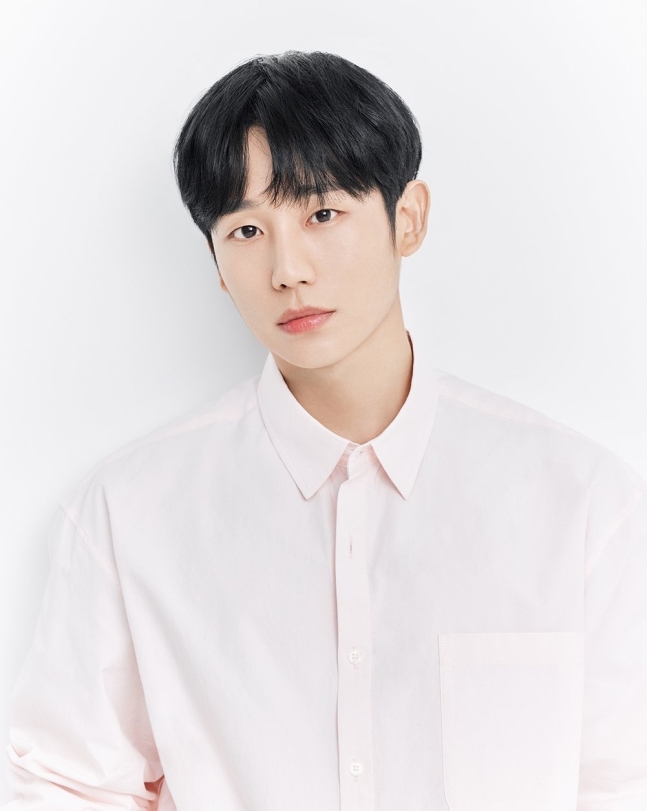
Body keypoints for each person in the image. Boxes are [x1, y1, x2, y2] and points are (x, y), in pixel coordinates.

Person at [3, 49, 646, 811]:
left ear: (407, 218)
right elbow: (67, 783)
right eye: (247, 229)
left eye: (321, 214)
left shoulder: (579, 501)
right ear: (215, 261)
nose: (288, 269)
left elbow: (620, 782)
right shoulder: (129, 512)